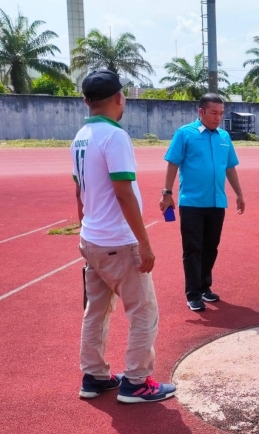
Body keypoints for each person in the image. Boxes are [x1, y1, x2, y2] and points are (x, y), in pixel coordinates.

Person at [72, 69, 175, 403]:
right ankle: (136, 381)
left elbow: (79, 191)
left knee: (97, 311)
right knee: (144, 311)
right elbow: (123, 192)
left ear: (86, 101)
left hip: (93, 239)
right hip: (117, 241)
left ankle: (95, 376)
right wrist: (144, 242)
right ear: (120, 97)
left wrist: (84, 229)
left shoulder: (81, 136)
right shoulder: (114, 137)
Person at [160, 94, 245, 312]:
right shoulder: (185, 134)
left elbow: (230, 167)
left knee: (211, 248)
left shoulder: (224, 137)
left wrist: (238, 193)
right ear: (201, 112)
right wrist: (167, 192)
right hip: (192, 203)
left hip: (217, 203)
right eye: (214, 113)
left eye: (221, 113)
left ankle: (205, 286)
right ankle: (193, 293)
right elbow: (172, 163)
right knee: (192, 249)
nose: (218, 118)